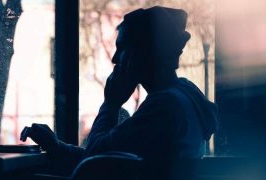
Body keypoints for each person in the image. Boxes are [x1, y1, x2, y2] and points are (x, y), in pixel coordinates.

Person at [20, 6, 217, 179]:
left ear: (145, 51)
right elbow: (110, 155)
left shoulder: (164, 106)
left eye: (122, 47)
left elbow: (95, 159)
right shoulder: (182, 94)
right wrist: (57, 147)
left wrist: (111, 103)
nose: (115, 58)